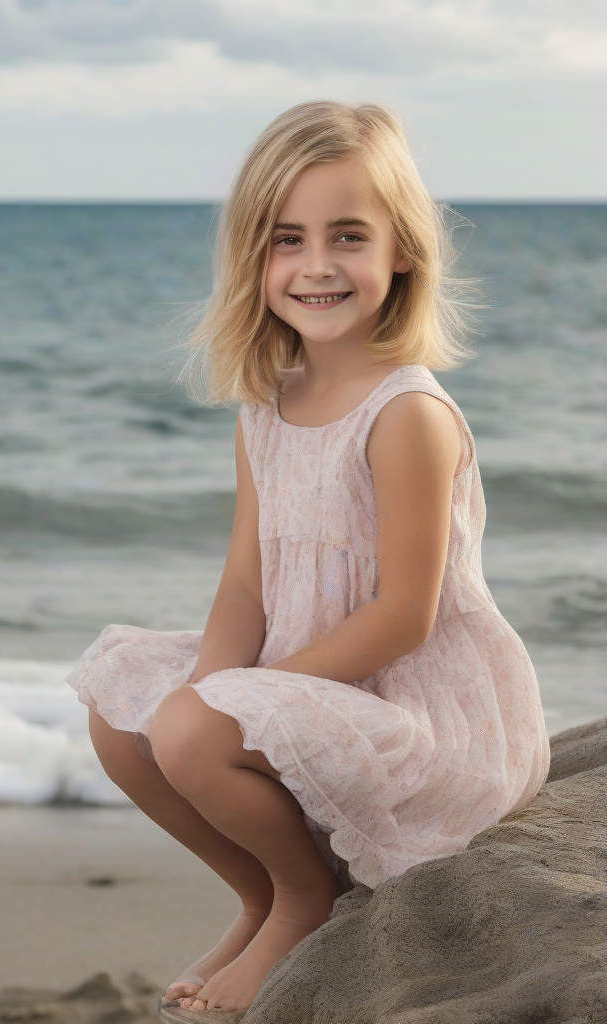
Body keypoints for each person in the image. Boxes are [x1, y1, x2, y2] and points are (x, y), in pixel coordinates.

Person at [65, 101, 550, 1020]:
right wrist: (209, 688)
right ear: (255, 255)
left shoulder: (406, 414)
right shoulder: (269, 403)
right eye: (288, 238)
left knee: (197, 726)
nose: (316, 265)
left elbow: (405, 614)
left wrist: (251, 698)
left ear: (402, 249)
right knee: (123, 710)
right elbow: (247, 577)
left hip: (416, 703)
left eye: (348, 236)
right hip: (310, 674)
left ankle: (305, 901)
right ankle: (258, 893)